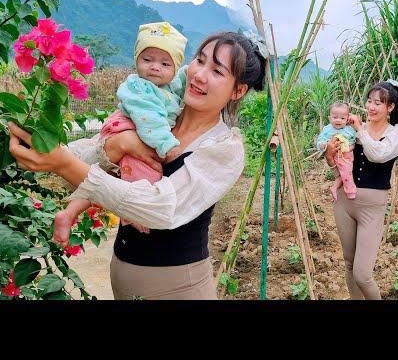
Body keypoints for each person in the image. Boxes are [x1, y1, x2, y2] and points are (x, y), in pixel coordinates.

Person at [9, 31, 267, 300]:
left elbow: (160, 209)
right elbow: (85, 155)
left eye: (217, 71)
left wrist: (62, 163)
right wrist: (114, 146)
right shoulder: (156, 112)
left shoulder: (223, 148)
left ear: (238, 91)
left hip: (179, 289)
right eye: (199, 61)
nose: (199, 75)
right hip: (123, 282)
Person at [53, 21, 189, 243]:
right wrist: (166, 145)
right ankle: (140, 220)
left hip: (132, 130)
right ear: (136, 60)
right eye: (147, 60)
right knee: (145, 173)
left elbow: (183, 78)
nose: (155, 67)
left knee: (100, 177)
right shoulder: (140, 87)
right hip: (130, 128)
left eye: (165, 63)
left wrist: (192, 71)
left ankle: (68, 214)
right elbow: (150, 119)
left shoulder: (168, 86)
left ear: (174, 69)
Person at [325, 80, 398, 300]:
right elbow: (339, 165)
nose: (371, 107)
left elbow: (379, 154)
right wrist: (329, 155)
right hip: (345, 201)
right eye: (370, 101)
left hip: (372, 206)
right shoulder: (352, 130)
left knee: (362, 274)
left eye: (378, 103)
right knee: (349, 263)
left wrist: (360, 131)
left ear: (390, 107)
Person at [316, 102, 357, 201]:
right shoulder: (327, 129)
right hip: (335, 155)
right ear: (330, 118)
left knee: (342, 174)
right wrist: (322, 144)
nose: (338, 120)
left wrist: (351, 146)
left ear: (347, 119)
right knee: (347, 172)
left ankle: (335, 187)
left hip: (346, 155)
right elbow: (320, 139)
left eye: (342, 118)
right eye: (335, 117)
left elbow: (355, 139)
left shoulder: (350, 129)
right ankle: (350, 191)